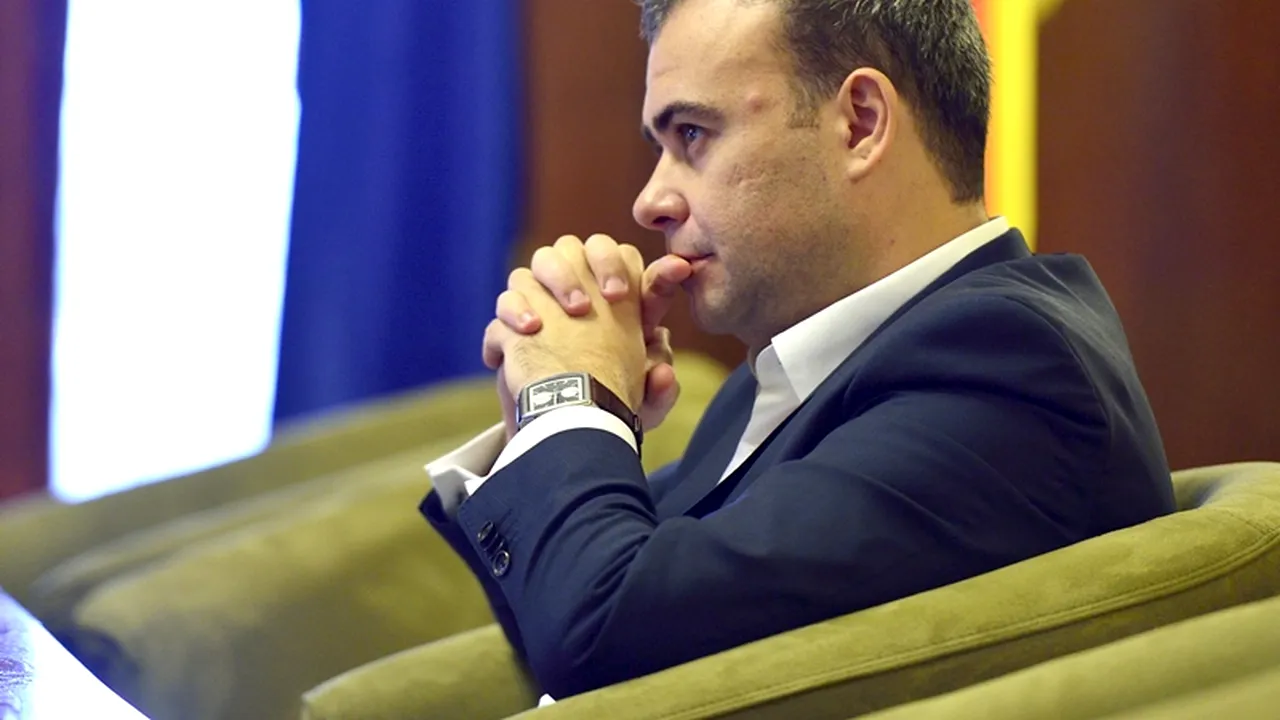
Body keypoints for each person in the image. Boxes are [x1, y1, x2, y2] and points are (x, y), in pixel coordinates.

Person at [419, 0, 1175, 704]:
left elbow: (602, 636)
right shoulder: (801, 367)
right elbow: (560, 610)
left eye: (693, 135)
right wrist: (556, 413)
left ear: (860, 124)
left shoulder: (1008, 369)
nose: (650, 201)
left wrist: (569, 403)